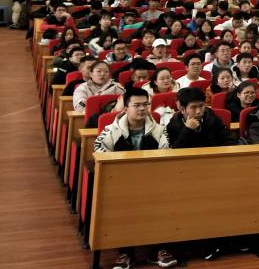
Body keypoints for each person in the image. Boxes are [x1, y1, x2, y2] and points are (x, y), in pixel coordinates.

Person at [93, 88, 175, 269]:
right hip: (121, 181)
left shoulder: (160, 130)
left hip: (152, 180)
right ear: (125, 108)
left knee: (165, 198)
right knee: (121, 202)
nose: (142, 109)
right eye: (136, 105)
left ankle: (157, 249)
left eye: (145, 105)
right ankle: (126, 252)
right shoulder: (111, 130)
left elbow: (166, 153)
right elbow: (99, 150)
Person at [165, 87, 236, 148]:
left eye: (201, 106)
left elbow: (229, 140)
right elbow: (175, 149)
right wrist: (187, 130)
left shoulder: (212, 119)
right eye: (193, 107)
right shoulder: (174, 124)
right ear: (183, 110)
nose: (198, 111)